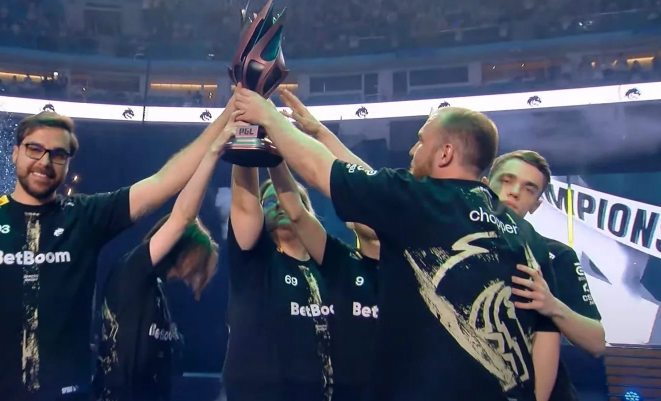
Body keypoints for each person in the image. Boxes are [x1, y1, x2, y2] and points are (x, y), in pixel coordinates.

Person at [233, 85, 561, 401]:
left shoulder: (420, 201)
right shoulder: (526, 236)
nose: (413, 150)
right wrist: (320, 132)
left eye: (421, 141)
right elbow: (546, 336)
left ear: (445, 153)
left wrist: (268, 117)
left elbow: (323, 170)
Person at [0, 102, 236, 401]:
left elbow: (164, 181)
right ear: (15, 153)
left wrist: (226, 118)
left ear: (67, 164)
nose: (45, 161)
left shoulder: (85, 216)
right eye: (35, 149)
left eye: (58, 154)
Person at [94, 117, 234, 401]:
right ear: (183, 249)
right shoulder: (133, 271)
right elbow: (182, 217)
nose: (196, 272)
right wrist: (213, 152)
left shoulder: (159, 291)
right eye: (198, 260)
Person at [273, 89, 380, 401]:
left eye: (373, 207)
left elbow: (375, 188)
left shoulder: (411, 263)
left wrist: (321, 132)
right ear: (349, 222)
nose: (367, 211)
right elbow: (296, 212)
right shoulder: (340, 261)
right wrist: (274, 151)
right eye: (359, 208)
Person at [483, 150, 606, 401]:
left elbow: (596, 343)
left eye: (529, 189)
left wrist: (552, 306)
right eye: (506, 180)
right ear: (483, 186)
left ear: (536, 204)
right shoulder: (453, 248)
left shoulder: (555, 255)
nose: (514, 192)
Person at [223, 144, 333, 400]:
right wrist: (248, 136)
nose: (281, 205)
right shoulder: (253, 259)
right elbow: (245, 204)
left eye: (292, 199)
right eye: (271, 201)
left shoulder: (331, 267)